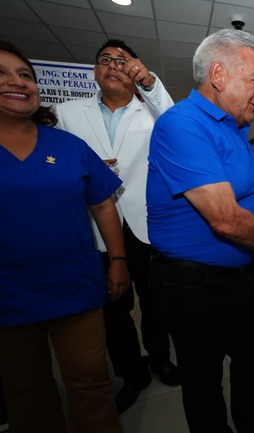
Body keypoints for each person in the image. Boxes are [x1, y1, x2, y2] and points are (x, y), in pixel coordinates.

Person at [146, 29, 254, 433]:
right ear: (218, 75)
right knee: (203, 380)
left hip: (242, 277)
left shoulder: (236, 128)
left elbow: (249, 206)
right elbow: (226, 218)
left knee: (249, 364)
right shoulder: (182, 124)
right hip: (194, 284)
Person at [0, 40, 127, 433]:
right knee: (26, 390)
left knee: (90, 384)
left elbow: (103, 205)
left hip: (75, 288)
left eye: (25, 74)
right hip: (7, 295)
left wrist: (118, 261)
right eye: (2, 74)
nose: (17, 81)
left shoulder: (69, 147)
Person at [54, 39, 178, 414]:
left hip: (144, 224)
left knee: (155, 302)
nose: (112, 65)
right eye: (105, 60)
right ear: (95, 71)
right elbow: (56, 160)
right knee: (112, 306)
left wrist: (150, 83)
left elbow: (175, 123)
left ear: (134, 70)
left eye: (122, 61)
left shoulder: (150, 112)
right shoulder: (67, 113)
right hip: (96, 225)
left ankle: (160, 359)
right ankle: (131, 372)